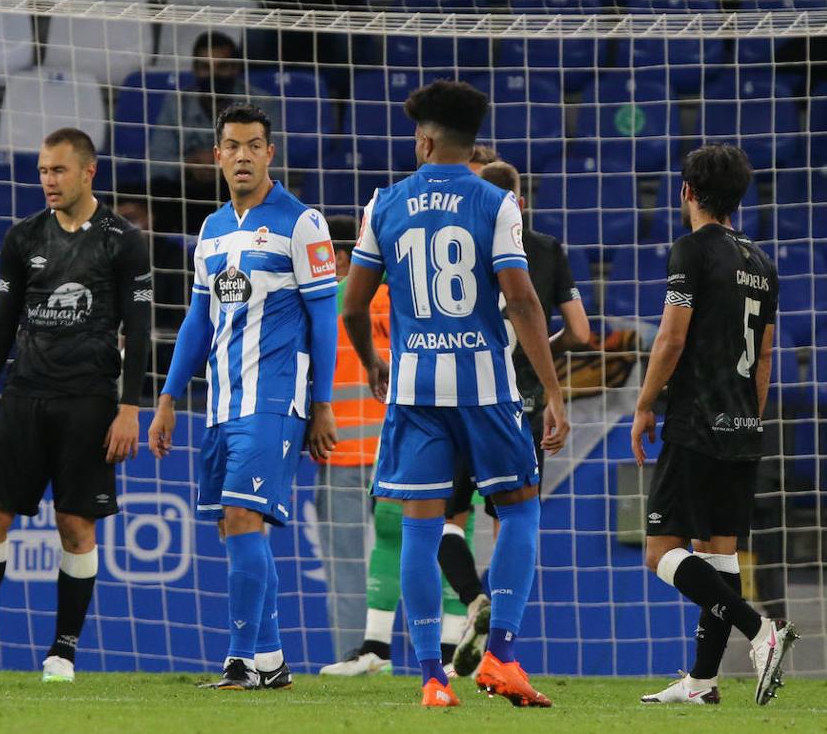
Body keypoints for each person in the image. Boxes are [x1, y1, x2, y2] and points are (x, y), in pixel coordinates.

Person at [342, 79, 567, 708]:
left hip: (414, 387)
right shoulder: (497, 201)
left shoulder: (384, 203)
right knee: (520, 511)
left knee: (422, 527)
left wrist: (373, 363)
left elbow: (354, 306)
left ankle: (432, 680)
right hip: (486, 386)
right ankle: (502, 658)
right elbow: (521, 299)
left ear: (425, 138)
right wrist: (551, 390)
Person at [0, 128, 151, 684]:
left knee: (74, 525)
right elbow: (1, 322)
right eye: (43, 170)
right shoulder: (23, 237)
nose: (48, 180)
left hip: (89, 401)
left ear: (88, 172)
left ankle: (62, 653)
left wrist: (130, 408)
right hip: (23, 396)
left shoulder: (122, 240)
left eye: (58, 170)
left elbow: (139, 328)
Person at [148, 103, 339, 691]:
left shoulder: (302, 222)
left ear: (270, 154)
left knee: (241, 516)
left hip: (274, 399)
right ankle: (271, 660)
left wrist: (323, 402)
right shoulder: (210, 231)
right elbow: (197, 321)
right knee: (236, 528)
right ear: (217, 156)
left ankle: (238, 662)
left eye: (254, 145)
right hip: (221, 404)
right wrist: (169, 396)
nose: (243, 156)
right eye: (232, 146)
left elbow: (325, 318)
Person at [633, 143, 796, 707]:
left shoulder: (691, 250)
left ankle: (761, 631)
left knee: (660, 552)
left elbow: (672, 337)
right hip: (743, 423)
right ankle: (703, 682)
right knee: (720, 556)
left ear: (687, 192)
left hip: (697, 420)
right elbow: (767, 355)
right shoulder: (762, 262)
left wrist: (644, 404)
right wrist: (748, 416)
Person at [443, 160, 592, 677]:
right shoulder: (548, 249)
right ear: (520, 202)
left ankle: (470, 604)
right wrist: (537, 356)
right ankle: (500, 648)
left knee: (444, 520)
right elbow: (580, 332)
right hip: (524, 405)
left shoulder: (460, 244)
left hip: (465, 397)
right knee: (515, 521)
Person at [311, 215, 391, 666]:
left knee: (344, 571)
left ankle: (352, 657)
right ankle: (434, 656)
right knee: (409, 560)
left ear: (341, 257)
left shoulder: (326, 303)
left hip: (341, 454)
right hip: (396, 456)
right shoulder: (402, 298)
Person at [148, 32, 282, 233]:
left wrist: (222, 165)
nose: (213, 75)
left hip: (237, 189)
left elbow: (276, 165)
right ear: (194, 69)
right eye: (205, 67)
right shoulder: (176, 102)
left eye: (222, 66)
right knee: (142, 190)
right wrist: (188, 165)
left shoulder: (261, 103)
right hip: (186, 192)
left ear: (236, 68)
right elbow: (156, 165)